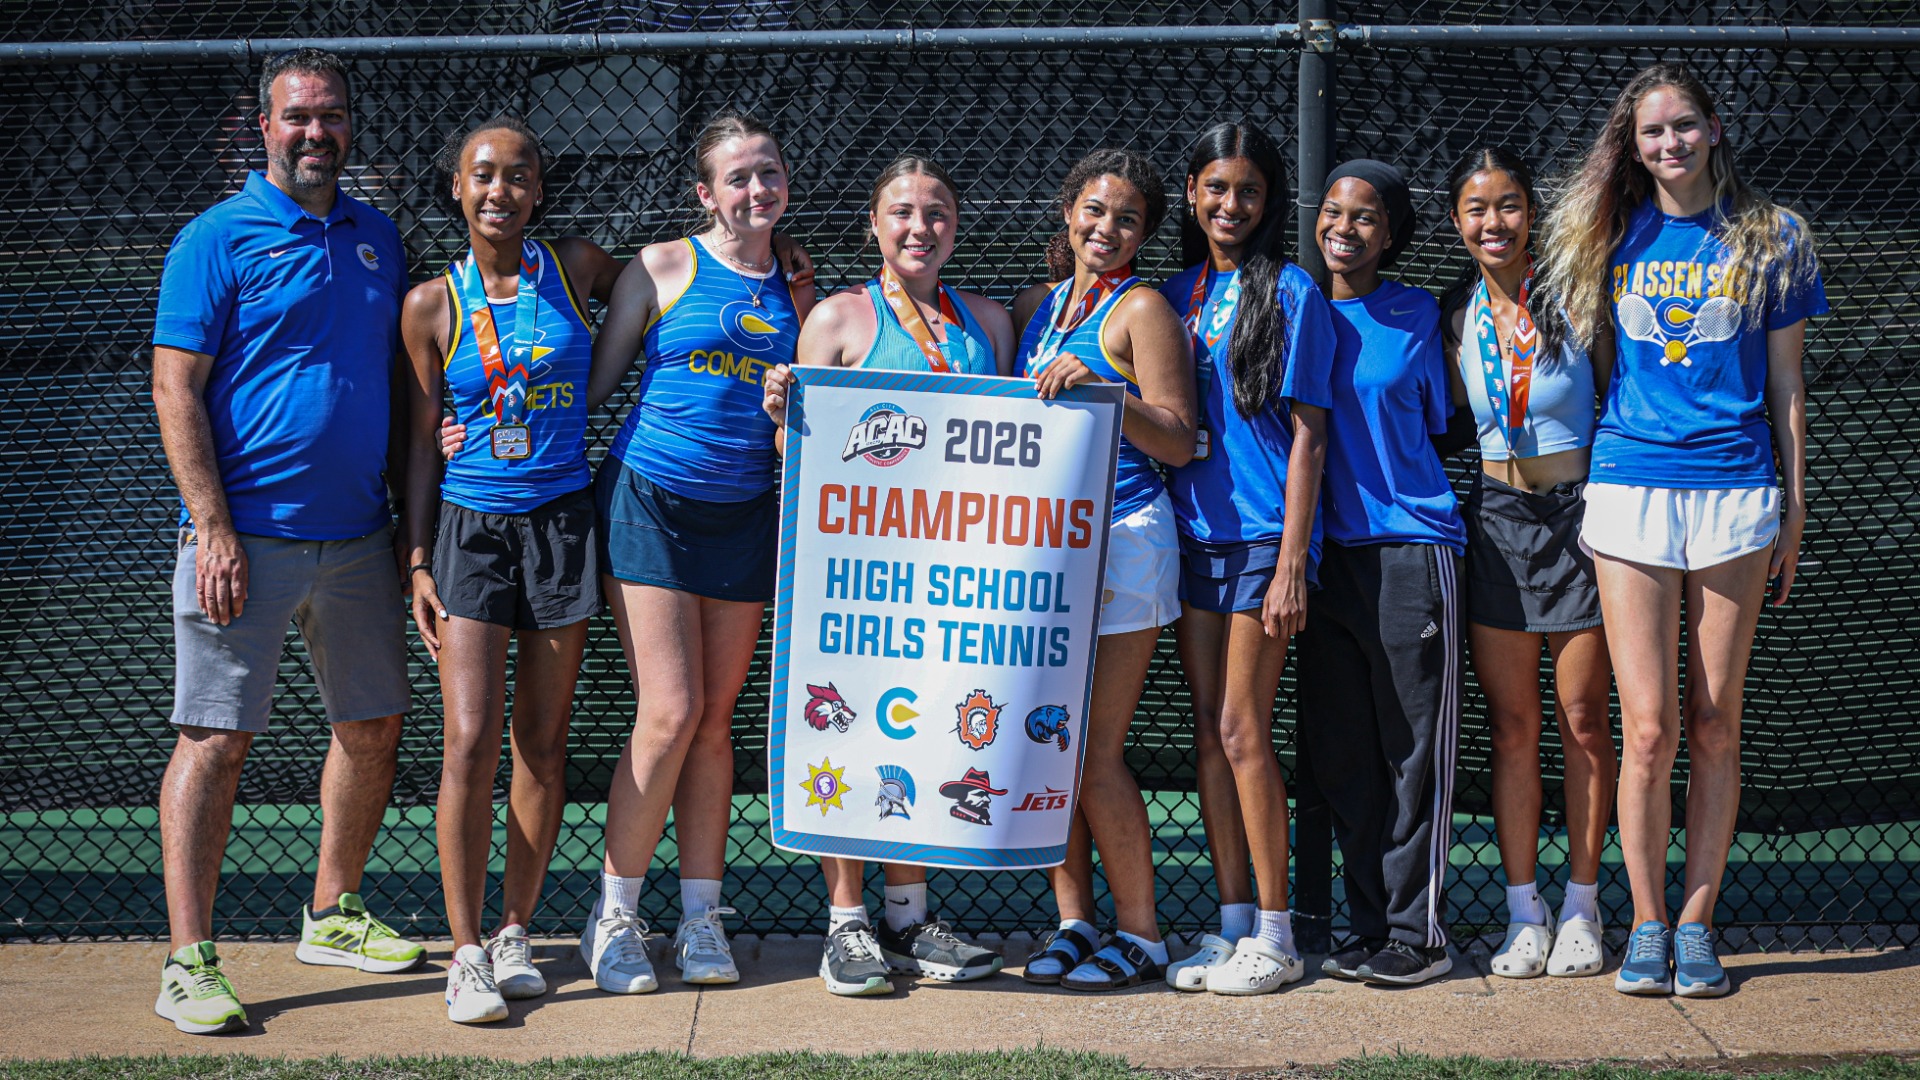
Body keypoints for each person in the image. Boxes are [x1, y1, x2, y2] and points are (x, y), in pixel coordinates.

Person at [148, 47, 422, 1034]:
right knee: (217, 741)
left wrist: (408, 529)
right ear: (259, 128)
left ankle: (333, 913)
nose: (315, 133)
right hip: (242, 542)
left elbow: (397, 389)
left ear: (350, 127)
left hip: (359, 541)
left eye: (331, 116)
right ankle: (189, 961)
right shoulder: (213, 240)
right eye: (296, 117)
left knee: (374, 728)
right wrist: (212, 527)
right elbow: (175, 385)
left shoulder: (379, 238)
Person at [1540, 61, 1824, 998]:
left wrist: (1794, 501)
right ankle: (1648, 925)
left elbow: (1786, 385)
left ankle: (1698, 925)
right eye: (1652, 131)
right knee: (1649, 730)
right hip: (1630, 491)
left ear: (1713, 129)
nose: (1670, 144)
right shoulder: (1607, 229)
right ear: (1634, 144)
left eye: (1685, 126)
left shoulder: (1773, 236)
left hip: (1737, 493)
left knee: (1713, 722)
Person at [575, 111, 817, 994]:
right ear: (706, 192)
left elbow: (809, 421)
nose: (758, 190)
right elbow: (591, 390)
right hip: (649, 504)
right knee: (670, 712)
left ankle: (702, 917)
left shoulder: (801, 288)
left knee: (715, 721)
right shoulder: (661, 267)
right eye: (739, 177)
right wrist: (473, 431)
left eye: (770, 173)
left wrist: (791, 410)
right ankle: (614, 917)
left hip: (748, 515)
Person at [761, 153, 1014, 996]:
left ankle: (908, 916)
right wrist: (779, 412)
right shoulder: (837, 318)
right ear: (874, 224)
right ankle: (847, 924)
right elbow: (796, 457)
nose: (919, 227)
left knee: (932, 733)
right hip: (853, 583)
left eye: (936, 212)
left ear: (955, 226)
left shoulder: (987, 322)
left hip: (953, 582)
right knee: (849, 734)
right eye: (902, 212)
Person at [400, 114, 622, 1022]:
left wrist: (782, 251)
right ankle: (463, 952)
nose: (501, 190)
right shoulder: (429, 304)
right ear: (456, 188)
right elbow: (417, 447)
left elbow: (666, 278)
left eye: (519, 175)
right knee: (468, 742)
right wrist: (416, 559)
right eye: (483, 175)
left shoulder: (575, 267)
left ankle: (516, 930)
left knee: (540, 742)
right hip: (471, 531)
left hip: (562, 525)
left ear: (540, 189)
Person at [1010, 149, 1197, 992]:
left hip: (1124, 534)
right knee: (1050, 749)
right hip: (1047, 545)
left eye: (1125, 218)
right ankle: (1075, 922)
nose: (1105, 228)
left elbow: (1179, 438)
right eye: (1094, 210)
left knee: (1095, 754)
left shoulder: (1143, 309)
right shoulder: (1038, 305)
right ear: (1068, 211)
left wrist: (1108, 391)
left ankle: (1145, 935)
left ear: (1145, 232)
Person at [1156, 123, 1333, 996]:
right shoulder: (1173, 294)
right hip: (1192, 537)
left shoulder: (1292, 290)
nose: (1233, 205)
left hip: (1265, 540)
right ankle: (1231, 929)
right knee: (1207, 738)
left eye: (1250, 191)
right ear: (1192, 193)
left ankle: (1277, 934)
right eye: (1217, 188)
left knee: (1241, 729)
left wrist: (1294, 557)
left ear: (1270, 202)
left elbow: (1309, 435)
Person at [1438, 146, 1617, 980]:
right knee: (1512, 728)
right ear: (1456, 222)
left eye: (1508, 205)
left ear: (1531, 214)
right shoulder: (1454, 312)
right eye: (1477, 209)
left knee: (1583, 720)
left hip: (1583, 517)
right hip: (1497, 517)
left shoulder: (1580, 298)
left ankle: (1582, 904)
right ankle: (1524, 911)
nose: (1493, 223)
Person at [1298, 159, 1466, 988]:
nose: (1346, 227)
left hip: (1411, 548)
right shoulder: (1292, 305)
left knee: (1412, 750)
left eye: (1366, 217)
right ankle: (1369, 928)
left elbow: (1438, 422)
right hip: (1321, 560)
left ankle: (1421, 934)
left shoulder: (1418, 314)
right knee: (1343, 756)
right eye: (1334, 211)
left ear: (1391, 235)